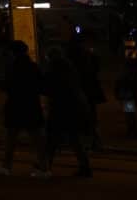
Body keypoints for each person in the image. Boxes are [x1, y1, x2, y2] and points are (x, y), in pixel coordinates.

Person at [0, 41, 48, 178]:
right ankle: (43, 167)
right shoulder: (33, 66)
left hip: (16, 106)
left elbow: (8, 86)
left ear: (13, 53)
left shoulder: (12, 67)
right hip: (32, 105)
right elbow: (42, 85)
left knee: (11, 137)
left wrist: (0, 83)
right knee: (37, 138)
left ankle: (6, 166)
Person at [43, 47, 92, 177]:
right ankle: (85, 166)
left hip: (61, 108)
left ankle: (45, 165)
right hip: (75, 107)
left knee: (52, 139)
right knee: (74, 139)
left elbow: (48, 87)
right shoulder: (70, 69)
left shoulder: (54, 70)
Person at [68, 30, 106, 150]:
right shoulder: (90, 55)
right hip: (89, 90)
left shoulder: (74, 56)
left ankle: (89, 141)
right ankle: (95, 141)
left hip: (81, 90)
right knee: (91, 116)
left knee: (83, 116)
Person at [114, 35, 137, 137]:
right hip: (128, 85)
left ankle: (132, 129)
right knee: (129, 108)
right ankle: (132, 128)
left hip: (127, 86)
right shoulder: (131, 61)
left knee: (129, 109)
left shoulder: (128, 63)